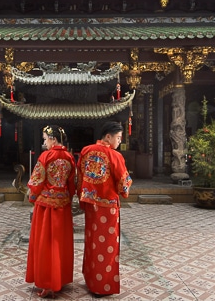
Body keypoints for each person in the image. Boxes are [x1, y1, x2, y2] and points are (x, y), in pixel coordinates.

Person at [77, 121, 132, 297]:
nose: (119, 141)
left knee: (92, 242)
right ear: (108, 136)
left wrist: (83, 195)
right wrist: (124, 191)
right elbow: (124, 184)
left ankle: (90, 279)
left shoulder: (85, 151)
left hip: (91, 206)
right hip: (108, 208)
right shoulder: (115, 156)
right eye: (118, 137)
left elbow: (79, 177)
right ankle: (102, 286)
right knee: (106, 246)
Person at [25, 125, 77, 298]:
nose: (44, 142)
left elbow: (37, 181)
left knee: (45, 243)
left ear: (53, 139)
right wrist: (67, 199)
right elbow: (72, 184)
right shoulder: (70, 157)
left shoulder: (46, 156)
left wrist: (32, 196)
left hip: (45, 208)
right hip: (63, 207)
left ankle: (47, 282)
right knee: (59, 243)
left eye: (45, 139)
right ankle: (59, 279)